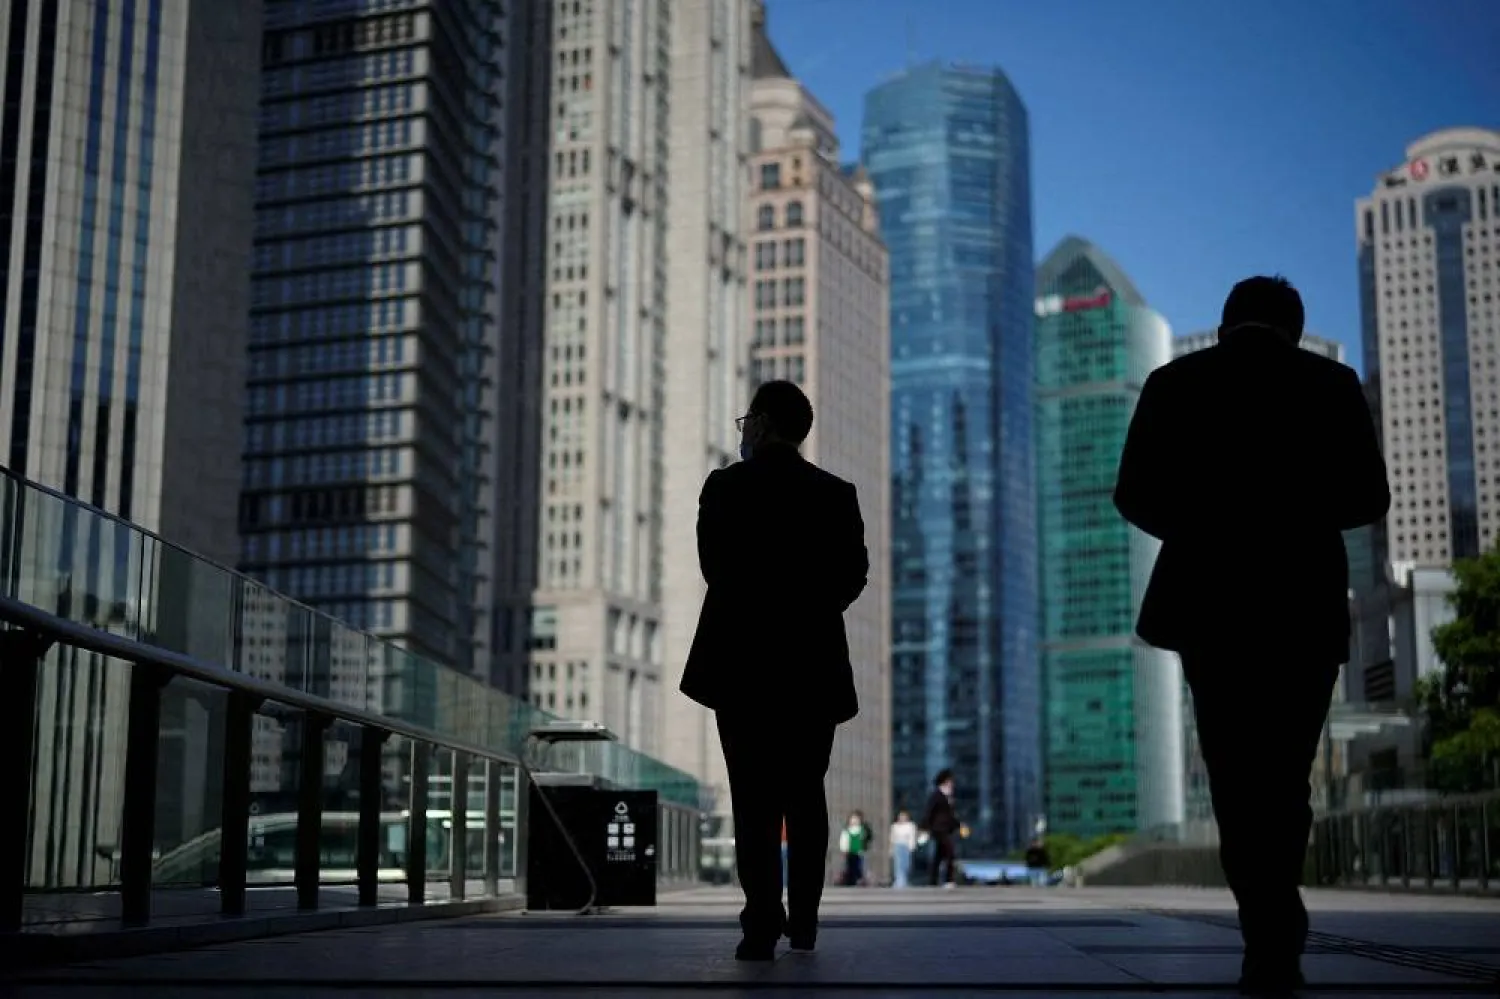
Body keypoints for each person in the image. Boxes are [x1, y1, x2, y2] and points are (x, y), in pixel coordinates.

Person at [1113, 275, 1390, 996]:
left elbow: (1132, 492)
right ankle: (1276, 908)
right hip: (1302, 604)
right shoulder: (1330, 383)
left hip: (1213, 606)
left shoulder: (1176, 382)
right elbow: (1370, 495)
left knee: (1234, 770)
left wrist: (1205, 525)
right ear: (1293, 327)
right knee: (1286, 772)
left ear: (1228, 319)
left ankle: (1263, 919)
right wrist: (1295, 512)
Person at [679, 380, 870, 961]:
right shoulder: (836, 494)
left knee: (753, 798)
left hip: (741, 666)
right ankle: (805, 921)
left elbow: (714, 566)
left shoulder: (726, 488)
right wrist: (808, 609)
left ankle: (761, 921)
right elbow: (853, 575)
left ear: (759, 424)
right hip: (812, 667)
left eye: (745, 422)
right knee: (805, 794)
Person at [921, 770, 960, 888]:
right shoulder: (937, 795)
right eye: (949, 781)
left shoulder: (950, 796)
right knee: (950, 853)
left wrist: (958, 825)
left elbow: (952, 815)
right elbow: (929, 811)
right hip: (939, 829)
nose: (952, 784)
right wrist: (924, 827)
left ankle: (932, 880)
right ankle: (949, 879)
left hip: (947, 829)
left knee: (939, 855)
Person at [838, 812, 871, 886]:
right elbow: (844, 840)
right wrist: (844, 848)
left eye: (856, 819)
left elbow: (866, 838)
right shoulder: (847, 830)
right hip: (850, 852)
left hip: (859, 852)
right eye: (853, 819)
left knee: (861, 865)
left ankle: (861, 879)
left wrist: (864, 846)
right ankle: (850, 879)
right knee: (850, 866)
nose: (854, 821)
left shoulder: (862, 830)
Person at [889, 810, 917, 888]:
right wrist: (891, 849)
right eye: (901, 816)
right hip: (897, 845)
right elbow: (892, 838)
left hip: (906, 846)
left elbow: (912, 836)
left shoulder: (911, 826)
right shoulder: (895, 826)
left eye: (904, 816)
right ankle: (899, 882)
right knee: (898, 865)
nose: (902, 818)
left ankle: (904, 880)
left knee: (906, 865)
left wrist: (911, 847)